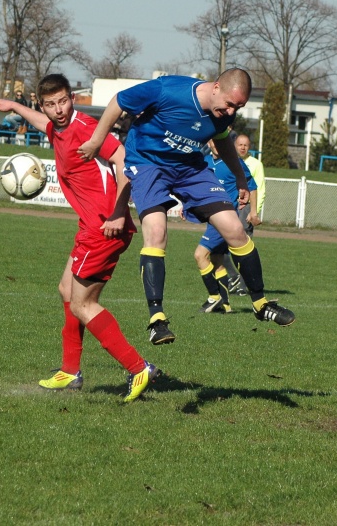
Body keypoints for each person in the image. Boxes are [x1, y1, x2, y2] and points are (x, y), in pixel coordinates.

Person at [77, 68, 296, 345]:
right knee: (156, 232)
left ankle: (261, 304)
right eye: (230, 104)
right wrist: (97, 140)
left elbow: (222, 141)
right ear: (215, 87)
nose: (231, 112)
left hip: (190, 168)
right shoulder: (168, 90)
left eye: (238, 107)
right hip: (148, 163)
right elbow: (119, 101)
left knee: (234, 228)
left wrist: (240, 178)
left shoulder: (223, 114)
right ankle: (157, 320)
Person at [0, 74, 159, 402]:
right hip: (91, 227)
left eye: (63, 101)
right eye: (51, 104)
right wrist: (15, 107)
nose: (59, 109)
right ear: (43, 106)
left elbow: (124, 160)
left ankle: (138, 367)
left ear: (73, 99)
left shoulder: (86, 128)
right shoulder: (57, 127)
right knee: (67, 289)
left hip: (105, 228)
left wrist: (119, 212)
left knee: (82, 304)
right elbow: (44, 124)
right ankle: (70, 371)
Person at [195, 140, 258, 314]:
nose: (216, 145)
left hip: (226, 218)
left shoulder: (233, 162)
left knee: (200, 255)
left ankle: (214, 297)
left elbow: (252, 185)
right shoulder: (205, 161)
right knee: (217, 260)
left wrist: (253, 212)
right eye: (213, 141)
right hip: (212, 217)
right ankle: (225, 305)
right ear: (209, 142)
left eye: (219, 141)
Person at [223, 132, 266, 293]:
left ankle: (243, 285)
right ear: (234, 145)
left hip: (246, 208)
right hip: (230, 206)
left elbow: (259, 188)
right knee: (221, 245)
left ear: (249, 147)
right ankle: (233, 276)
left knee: (243, 247)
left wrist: (254, 211)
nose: (242, 147)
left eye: (246, 145)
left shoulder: (255, 164)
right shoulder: (228, 160)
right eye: (240, 144)